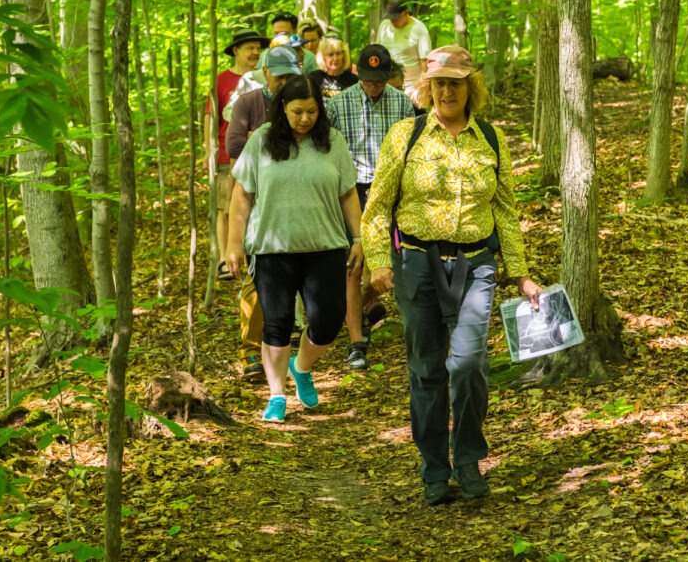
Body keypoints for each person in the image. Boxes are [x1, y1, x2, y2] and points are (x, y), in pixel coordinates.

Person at [361, 45, 542, 505]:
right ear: (427, 87)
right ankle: (434, 468)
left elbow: (504, 208)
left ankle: (467, 457)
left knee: (467, 365)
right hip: (416, 262)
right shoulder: (406, 135)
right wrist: (380, 260)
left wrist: (519, 274)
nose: (447, 91)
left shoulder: (490, 139)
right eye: (439, 83)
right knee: (426, 370)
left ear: (470, 87)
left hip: (476, 262)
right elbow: (378, 206)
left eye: (456, 83)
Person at [226, 75, 363, 423]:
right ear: (282, 108)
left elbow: (348, 193)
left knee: (328, 322)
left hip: (326, 245)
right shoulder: (261, 141)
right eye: (297, 111)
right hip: (273, 248)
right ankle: (276, 395)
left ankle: (300, 368)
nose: (305, 119)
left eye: (312, 111)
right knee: (277, 322)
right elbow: (242, 194)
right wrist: (233, 244)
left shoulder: (331, 141)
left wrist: (360, 238)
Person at [326, 44, 414, 371]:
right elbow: (328, 152)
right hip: (353, 192)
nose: (374, 86)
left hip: (392, 193)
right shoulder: (339, 105)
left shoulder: (402, 104)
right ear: (358, 76)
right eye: (368, 80)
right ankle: (355, 341)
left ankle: (376, 315)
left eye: (379, 80)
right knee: (353, 264)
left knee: (396, 259)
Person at [223, 45, 301, 379]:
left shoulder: (302, 101)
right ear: (266, 72)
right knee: (256, 275)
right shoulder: (249, 102)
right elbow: (235, 145)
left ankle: (281, 342)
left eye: (290, 76)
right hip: (254, 193)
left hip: (295, 195)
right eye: (280, 75)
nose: (284, 82)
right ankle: (250, 351)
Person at [206, 28, 267, 283]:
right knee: (226, 204)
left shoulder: (265, 77)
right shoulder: (221, 80)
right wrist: (208, 150)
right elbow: (211, 116)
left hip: (261, 154)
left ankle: (251, 250)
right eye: (249, 48)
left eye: (257, 48)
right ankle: (224, 257)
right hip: (228, 152)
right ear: (235, 51)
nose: (254, 52)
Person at [377, 0, 432, 95]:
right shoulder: (384, 26)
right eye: (391, 18)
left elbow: (425, 62)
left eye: (396, 18)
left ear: (405, 13)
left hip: (410, 87)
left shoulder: (419, 29)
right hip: (385, 84)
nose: (393, 22)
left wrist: (421, 86)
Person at [251, 14, 318, 84]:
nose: (279, 37)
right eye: (276, 33)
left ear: (295, 32)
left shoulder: (308, 57)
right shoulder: (264, 55)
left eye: (285, 33)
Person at [308, 33, 358, 105]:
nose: (335, 58)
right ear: (323, 56)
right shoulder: (313, 78)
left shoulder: (353, 81)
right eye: (330, 54)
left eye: (338, 54)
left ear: (344, 55)